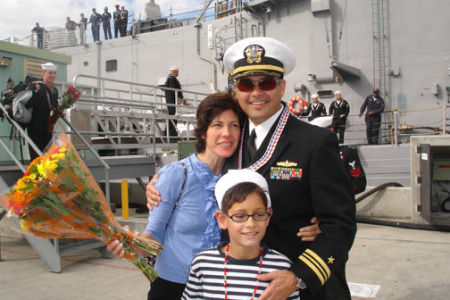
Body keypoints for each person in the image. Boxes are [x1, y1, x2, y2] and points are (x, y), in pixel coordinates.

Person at [148, 37, 356, 300]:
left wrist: (299, 277)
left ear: (282, 87)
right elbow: (200, 173)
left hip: (296, 286)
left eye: (266, 83)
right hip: (234, 285)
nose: (256, 93)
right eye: (246, 84)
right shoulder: (230, 140)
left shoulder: (315, 142)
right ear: (237, 90)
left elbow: (341, 224)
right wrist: (159, 182)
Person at [182, 169, 300, 299]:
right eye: (240, 216)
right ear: (222, 219)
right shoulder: (203, 264)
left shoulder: (283, 268)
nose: (250, 223)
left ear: (268, 217)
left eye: (259, 215)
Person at [310, 116, 367, 195]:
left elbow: (359, 183)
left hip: (339, 203)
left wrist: (337, 194)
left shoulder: (346, 153)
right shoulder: (311, 154)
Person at [25, 63, 59, 160]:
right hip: (35, 127)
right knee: (37, 156)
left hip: (48, 128)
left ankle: (46, 175)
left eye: (54, 73)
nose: (52, 76)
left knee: (48, 156)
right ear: (43, 73)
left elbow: (54, 106)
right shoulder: (37, 88)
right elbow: (28, 105)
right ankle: (36, 175)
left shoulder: (54, 90)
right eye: (50, 73)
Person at [164, 66, 183, 140]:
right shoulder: (171, 79)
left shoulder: (170, 78)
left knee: (172, 116)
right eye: (177, 72)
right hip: (172, 100)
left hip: (171, 100)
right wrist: (178, 97)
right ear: (175, 72)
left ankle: (169, 132)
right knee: (173, 116)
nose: (178, 73)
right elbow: (174, 89)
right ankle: (171, 133)